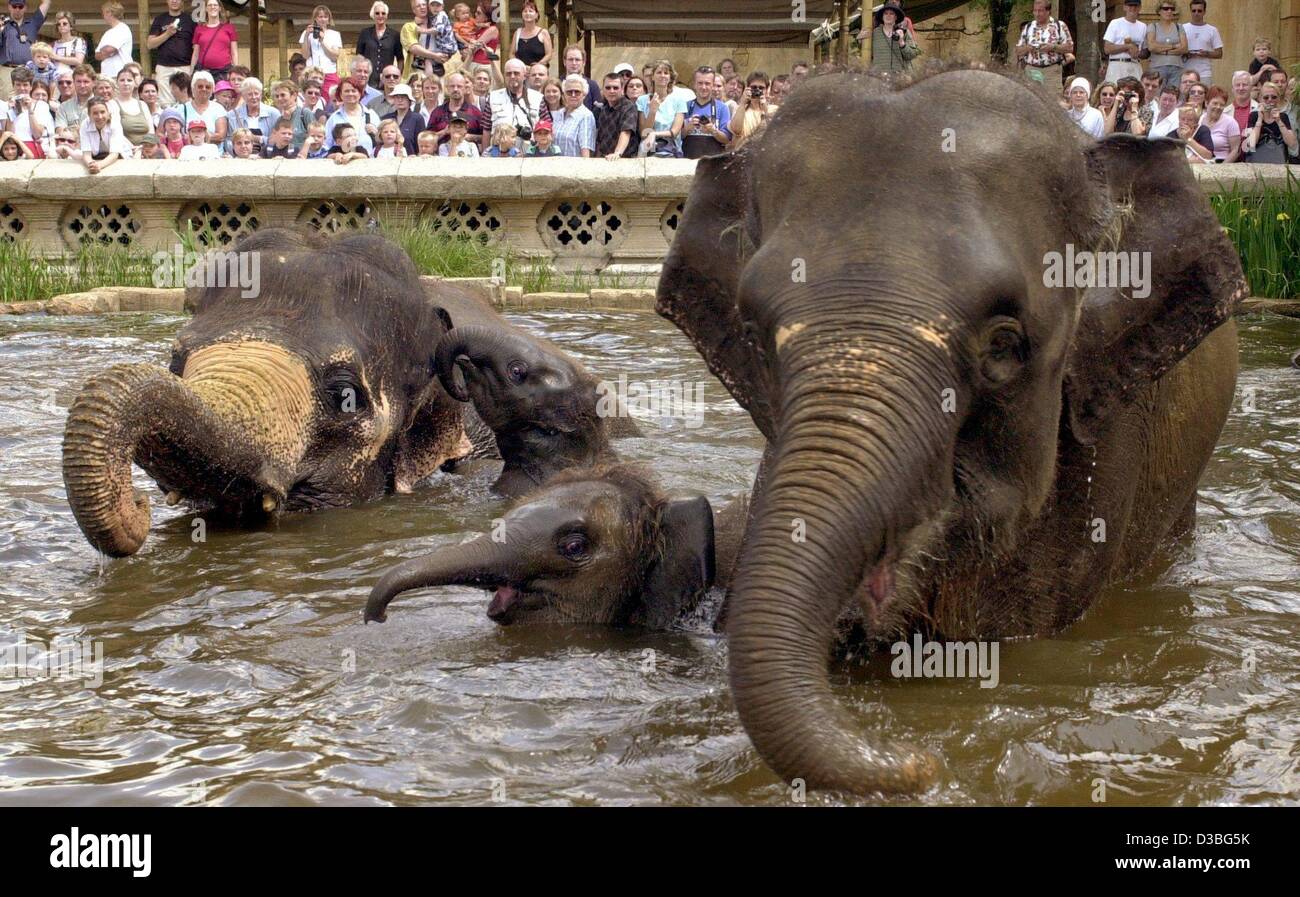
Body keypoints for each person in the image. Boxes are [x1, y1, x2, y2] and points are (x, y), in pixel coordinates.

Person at [1015, 0, 1072, 92]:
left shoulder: (1059, 26)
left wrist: (1053, 47)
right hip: (1031, 70)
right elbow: (1018, 50)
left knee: (1054, 100)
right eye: (1035, 10)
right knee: (1032, 99)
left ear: (1048, 11)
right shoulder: (1028, 27)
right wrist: (1028, 48)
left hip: (1052, 70)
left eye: (1040, 11)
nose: (1037, 14)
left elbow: (1070, 47)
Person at [489, 58, 547, 147]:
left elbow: (547, 128)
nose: (512, 76)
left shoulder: (538, 99)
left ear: (524, 76)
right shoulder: (492, 97)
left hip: (530, 154)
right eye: (508, 74)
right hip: (499, 155)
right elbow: (486, 130)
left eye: (516, 73)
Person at [0, 0, 50, 102]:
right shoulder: (4, 25)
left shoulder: (32, 23)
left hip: (28, 69)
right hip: (7, 70)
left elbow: (46, 3)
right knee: (6, 103)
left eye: (20, 6)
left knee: (29, 101)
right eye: (14, 6)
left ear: (25, 7)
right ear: (9, 7)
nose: (17, 9)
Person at [147, 0, 194, 106]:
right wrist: (167, 34)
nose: (174, 1)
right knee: (165, 104)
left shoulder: (190, 20)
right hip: (164, 67)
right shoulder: (160, 19)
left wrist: (193, 68)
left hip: (185, 67)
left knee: (186, 102)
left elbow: (196, 45)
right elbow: (150, 44)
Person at [636, 59, 686, 156]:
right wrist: (652, 111)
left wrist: (654, 134)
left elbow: (675, 131)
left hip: (671, 150)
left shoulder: (679, 100)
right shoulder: (642, 100)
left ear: (670, 77)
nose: (662, 75)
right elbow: (644, 132)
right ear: (653, 77)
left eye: (666, 73)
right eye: (659, 72)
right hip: (649, 150)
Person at [681, 65, 730, 159]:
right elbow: (677, 137)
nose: (703, 87)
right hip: (688, 161)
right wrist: (687, 128)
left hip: (713, 163)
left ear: (712, 85)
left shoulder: (722, 108)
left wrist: (713, 130)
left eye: (707, 83)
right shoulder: (686, 106)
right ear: (694, 84)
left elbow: (727, 140)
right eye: (700, 83)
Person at [427, 70, 483, 150]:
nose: (455, 89)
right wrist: (444, 132)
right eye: (452, 86)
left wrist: (470, 137)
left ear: (465, 88)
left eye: (459, 86)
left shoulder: (475, 112)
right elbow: (426, 138)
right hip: (441, 158)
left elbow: (485, 136)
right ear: (447, 88)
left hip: (468, 158)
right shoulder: (438, 112)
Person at [1243, 82, 1297, 164]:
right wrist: (1259, 120)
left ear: (1278, 99)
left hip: (1279, 162)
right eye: (1266, 97)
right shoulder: (1254, 115)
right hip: (1257, 163)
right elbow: (1250, 145)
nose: (1270, 100)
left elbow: (1292, 144)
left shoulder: (1283, 117)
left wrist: (1279, 121)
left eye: (1274, 97)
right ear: (1260, 99)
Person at [324, 76, 380, 152]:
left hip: (369, 162)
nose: (350, 94)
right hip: (343, 162)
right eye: (347, 91)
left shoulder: (371, 115)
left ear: (360, 93)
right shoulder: (334, 118)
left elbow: (383, 143)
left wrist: (376, 134)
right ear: (340, 95)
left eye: (354, 91)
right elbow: (326, 145)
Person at [299, 5, 342, 99]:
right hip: (311, 74)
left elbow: (335, 56)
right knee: (312, 99)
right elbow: (305, 55)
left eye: (325, 17)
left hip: (328, 73)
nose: (323, 19)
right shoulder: (307, 34)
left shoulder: (334, 34)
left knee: (330, 100)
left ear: (329, 19)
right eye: (320, 17)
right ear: (315, 18)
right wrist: (306, 35)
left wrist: (322, 41)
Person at [357, 2, 403, 89]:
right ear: (373, 15)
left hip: (387, 79)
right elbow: (359, 57)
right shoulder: (365, 33)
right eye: (377, 13)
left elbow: (400, 59)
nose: (380, 15)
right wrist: (360, 75)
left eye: (383, 13)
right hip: (368, 79)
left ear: (387, 15)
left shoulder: (395, 35)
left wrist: (397, 77)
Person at [6, 68, 50, 156]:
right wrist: (11, 111)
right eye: (18, 85)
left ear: (30, 87)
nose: (22, 88)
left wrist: (30, 110)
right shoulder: (5, 105)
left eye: (25, 85)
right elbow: (9, 134)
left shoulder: (41, 105)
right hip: (13, 150)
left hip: (33, 148)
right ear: (13, 86)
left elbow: (37, 134)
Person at [550, 73, 594, 158]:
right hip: (555, 166)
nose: (573, 95)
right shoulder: (559, 113)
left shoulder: (586, 116)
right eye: (569, 92)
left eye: (577, 92)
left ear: (584, 94)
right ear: (564, 94)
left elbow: (585, 149)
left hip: (574, 168)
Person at [594, 72, 637, 160]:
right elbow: (600, 139)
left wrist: (617, 153)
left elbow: (626, 132)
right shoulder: (603, 109)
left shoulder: (629, 107)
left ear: (622, 90)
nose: (611, 91)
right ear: (603, 90)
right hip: (604, 160)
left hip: (623, 160)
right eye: (608, 88)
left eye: (615, 88)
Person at [79, 97, 130, 170]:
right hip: (96, 157)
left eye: (102, 112)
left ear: (108, 112)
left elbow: (114, 154)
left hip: (119, 156)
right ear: (89, 115)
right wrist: (91, 165)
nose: (100, 117)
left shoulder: (115, 124)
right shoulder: (85, 124)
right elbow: (86, 153)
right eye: (95, 113)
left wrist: (100, 165)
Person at [1102, 0, 1145, 86]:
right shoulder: (1115, 23)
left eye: (1135, 5)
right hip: (1117, 65)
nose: (1133, 8)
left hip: (1134, 65)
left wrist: (1138, 53)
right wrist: (1127, 46)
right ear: (1124, 7)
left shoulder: (1143, 26)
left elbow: (1144, 50)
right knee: (1114, 93)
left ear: (1140, 8)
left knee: (1136, 95)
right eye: (1130, 5)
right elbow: (1107, 49)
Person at [868, 2, 919, 75]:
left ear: (896, 17)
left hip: (900, 77)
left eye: (891, 13)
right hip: (879, 78)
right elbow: (867, 52)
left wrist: (901, 42)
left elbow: (912, 55)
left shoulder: (904, 32)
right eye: (885, 13)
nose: (888, 16)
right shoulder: (874, 33)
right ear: (882, 16)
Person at [228, 77, 277, 152]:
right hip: (241, 159)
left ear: (261, 95)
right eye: (250, 94)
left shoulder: (273, 114)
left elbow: (279, 140)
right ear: (243, 96)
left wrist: (258, 139)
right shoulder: (232, 115)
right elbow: (228, 142)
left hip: (268, 158)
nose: (254, 97)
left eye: (256, 93)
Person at [192, 0, 237, 80]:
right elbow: (195, 53)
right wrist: (191, 72)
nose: (212, 7)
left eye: (215, 5)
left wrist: (236, 72)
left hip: (224, 72)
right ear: (206, 8)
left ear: (219, 8)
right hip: (204, 72)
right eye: (210, 5)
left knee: (223, 93)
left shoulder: (229, 28)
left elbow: (234, 53)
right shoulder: (199, 29)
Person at [1145, 3, 1186, 90]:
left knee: (1174, 96)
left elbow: (1184, 48)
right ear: (1159, 11)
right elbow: (1151, 47)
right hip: (1157, 66)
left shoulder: (1179, 27)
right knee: (1156, 95)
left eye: (1172, 9)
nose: (1169, 11)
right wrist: (1173, 46)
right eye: (1166, 8)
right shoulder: (1153, 26)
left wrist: (1161, 49)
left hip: (1176, 66)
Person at [729, 71, 775, 149]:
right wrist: (743, 103)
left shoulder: (773, 109)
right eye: (754, 87)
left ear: (767, 90)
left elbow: (775, 130)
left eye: (761, 88)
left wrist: (765, 108)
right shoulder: (740, 109)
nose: (757, 90)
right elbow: (736, 131)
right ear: (748, 88)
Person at [1181, 1, 1222, 85]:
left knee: (1204, 96)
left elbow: (1219, 53)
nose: (1196, 13)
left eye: (1199, 11)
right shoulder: (1182, 28)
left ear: (1204, 12)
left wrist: (1206, 53)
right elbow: (1176, 49)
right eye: (1194, 11)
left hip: (1204, 73)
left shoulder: (1212, 30)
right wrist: (1185, 54)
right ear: (1190, 11)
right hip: (1185, 71)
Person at [108, 67, 151, 147]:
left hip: (146, 149)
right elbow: (115, 132)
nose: (126, 83)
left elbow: (151, 132)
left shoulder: (143, 104)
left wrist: (143, 148)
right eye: (122, 80)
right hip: (124, 149)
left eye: (129, 80)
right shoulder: (112, 104)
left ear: (135, 83)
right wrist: (132, 148)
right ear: (117, 83)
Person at [183, 70, 228, 145]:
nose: (204, 89)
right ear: (193, 88)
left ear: (212, 90)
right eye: (200, 86)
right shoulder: (182, 109)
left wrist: (195, 137)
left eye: (208, 87)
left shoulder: (218, 109)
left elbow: (221, 136)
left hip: (213, 153)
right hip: (189, 153)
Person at [1200, 86, 1241, 163]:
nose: (1218, 107)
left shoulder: (1230, 122)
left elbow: (1236, 150)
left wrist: (1222, 168)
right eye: (1215, 103)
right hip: (1200, 163)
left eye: (1222, 105)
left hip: (1221, 163)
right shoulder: (1199, 120)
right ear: (1206, 103)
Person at [94, 2, 131, 80]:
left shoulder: (123, 28)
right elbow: (97, 55)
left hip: (121, 74)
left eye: (103, 13)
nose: (103, 16)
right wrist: (107, 52)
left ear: (109, 13)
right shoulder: (107, 33)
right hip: (106, 75)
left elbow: (109, 49)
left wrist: (104, 51)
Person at [510, 0, 550, 68]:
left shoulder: (543, 33)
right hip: (522, 72)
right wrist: (521, 67)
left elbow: (549, 54)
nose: (527, 13)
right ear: (522, 15)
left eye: (531, 11)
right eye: (525, 11)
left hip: (539, 72)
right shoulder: (517, 33)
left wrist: (536, 66)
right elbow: (511, 54)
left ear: (536, 15)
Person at [385, 82, 422, 154]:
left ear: (409, 100)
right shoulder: (386, 118)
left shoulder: (417, 119)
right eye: (397, 97)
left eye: (403, 97)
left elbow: (420, 144)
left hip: (411, 160)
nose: (400, 100)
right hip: (388, 160)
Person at [561, 45, 599, 111]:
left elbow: (597, 110)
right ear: (564, 62)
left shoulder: (592, 85)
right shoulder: (558, 83)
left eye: (577, 60)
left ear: (583, 62)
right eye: (570, 59)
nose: (574, 63)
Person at [50, 10, 86, 75]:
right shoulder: (53, 44)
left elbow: (78, 61)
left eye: (64, 23)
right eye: (59, 24)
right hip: (55, 79)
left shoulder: (78, 41)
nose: (61, 26)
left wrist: (57, 57)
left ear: (71, 26)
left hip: (72, 78)